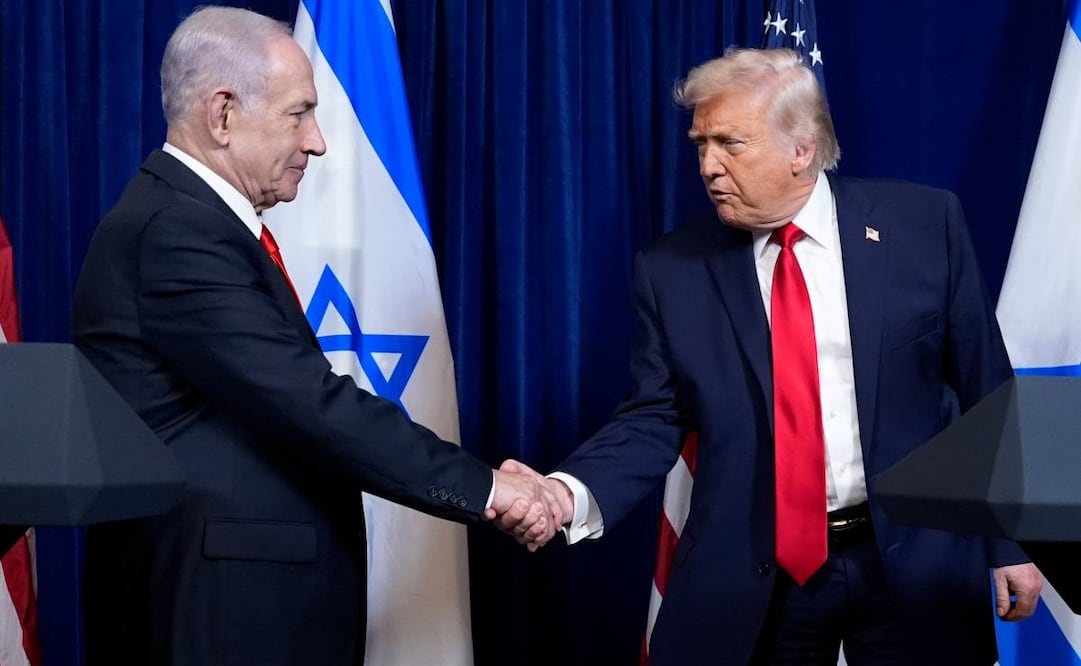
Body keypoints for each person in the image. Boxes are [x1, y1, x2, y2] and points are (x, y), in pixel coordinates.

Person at [507, 48, 1043, 665]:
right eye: (701, 144)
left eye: (731, 144)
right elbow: (652, 417)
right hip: (761, 577)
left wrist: (1014, 543)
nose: (709, 166)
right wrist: (565, 492)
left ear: (802, 150)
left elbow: (988, 391)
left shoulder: (925, 225)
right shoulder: (672, 271)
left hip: (913, 563)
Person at [72, 7, 556, 665]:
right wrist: (488, 488)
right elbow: (306, 401)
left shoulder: (194, 221)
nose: (318, 142)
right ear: (222, 115)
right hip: (216, 610)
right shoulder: (176, 231)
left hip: (245, 600)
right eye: (297, 114)